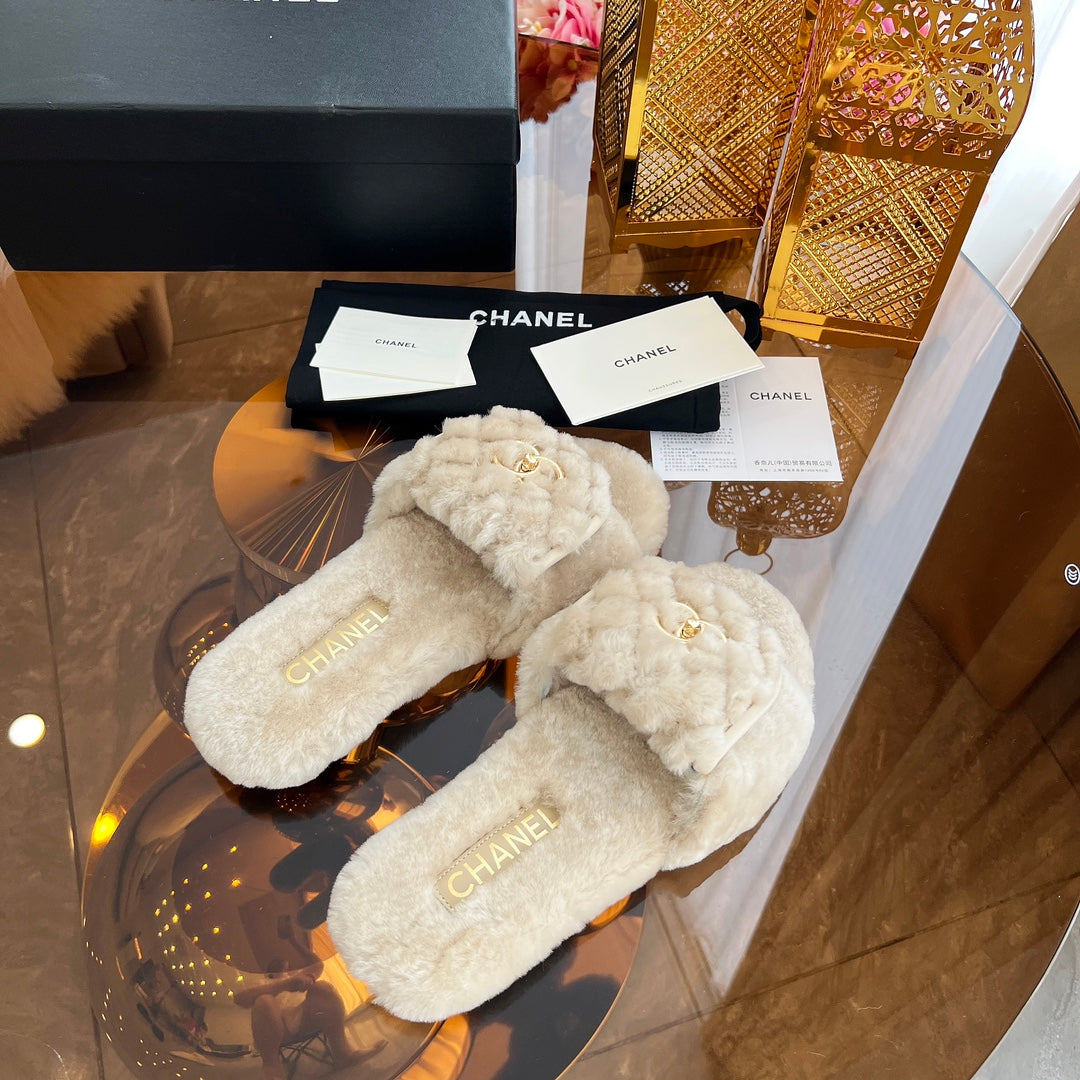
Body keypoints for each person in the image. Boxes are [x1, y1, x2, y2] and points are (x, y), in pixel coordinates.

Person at [234, 958, 385, 1080]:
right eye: (274, 958)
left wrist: (295, 942)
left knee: (323, 987)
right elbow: (240, 999)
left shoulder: (297, 974)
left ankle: (343, 1053)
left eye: (281, 955)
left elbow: (318, 964)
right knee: (264, 1001)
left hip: (306, 1020)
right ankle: (271, 1068)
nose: (279, 958)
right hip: (278, 1031)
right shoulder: (261, 982)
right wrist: (285, 985)